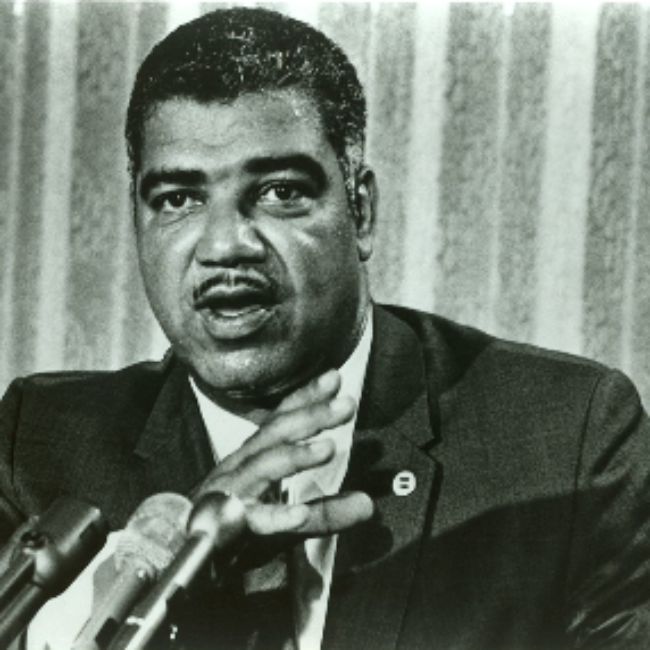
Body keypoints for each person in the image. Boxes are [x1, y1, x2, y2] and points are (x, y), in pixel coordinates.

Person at [1, 6, 649, 650]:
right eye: (178, 198)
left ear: (360, 210)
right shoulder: (37, 445)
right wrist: (171, 561)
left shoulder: (565, 440)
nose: (226, 245)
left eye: (279, 191)